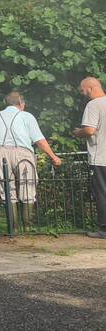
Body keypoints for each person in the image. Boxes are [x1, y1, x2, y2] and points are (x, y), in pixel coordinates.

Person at [0, 91, 62, 227]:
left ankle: (13, 228)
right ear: (21, 103)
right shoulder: (26, 116)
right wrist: (53, 156)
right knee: (28, 186)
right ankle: (28, 226)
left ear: (5, 103)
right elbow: (39, 139)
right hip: (23, 152)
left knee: (7, 189)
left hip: (1, 152)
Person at [73, 76, 106, 239]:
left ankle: (104, 229)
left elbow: (89, 131)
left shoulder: (93, 105)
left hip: (101, 158)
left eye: (82, 89)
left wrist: (77, 132)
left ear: (90, 88)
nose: (82, 93)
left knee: (102, 193)